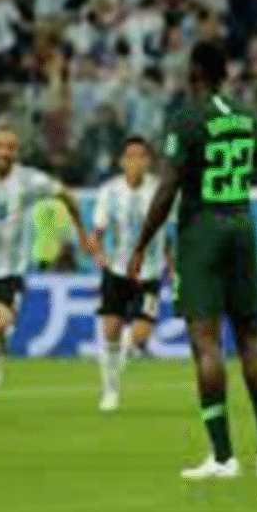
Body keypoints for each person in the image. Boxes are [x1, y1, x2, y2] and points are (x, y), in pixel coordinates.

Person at [127, 41, 257, 480]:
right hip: (242, 224)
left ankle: (223, 457)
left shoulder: (187, 118)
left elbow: (169, 186)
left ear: (194, 72)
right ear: (225, 72)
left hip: (203, 231)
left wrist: (142, 244)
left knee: (206, 342)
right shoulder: (248, 118)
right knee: (250, 337)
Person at [0, 123, 99, 418]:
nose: (4, 152)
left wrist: (81, 230)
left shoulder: (29, 180)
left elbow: (66, 194)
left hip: (9, 269)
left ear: (17, 153)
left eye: (10, 147)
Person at [91, 137, 172, 412]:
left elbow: (169, 234)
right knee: (110, 330)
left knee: (139, 334)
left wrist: (172, 267)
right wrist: (99, 255)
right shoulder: (109, 192)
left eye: (142, 156)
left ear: (149, 162)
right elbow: (98, 232)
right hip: (117, 270)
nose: (136, 161)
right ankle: (110, 390)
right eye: (130, 156)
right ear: (122, 161)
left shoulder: (161, 191)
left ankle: (123, 356)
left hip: (149, 272)